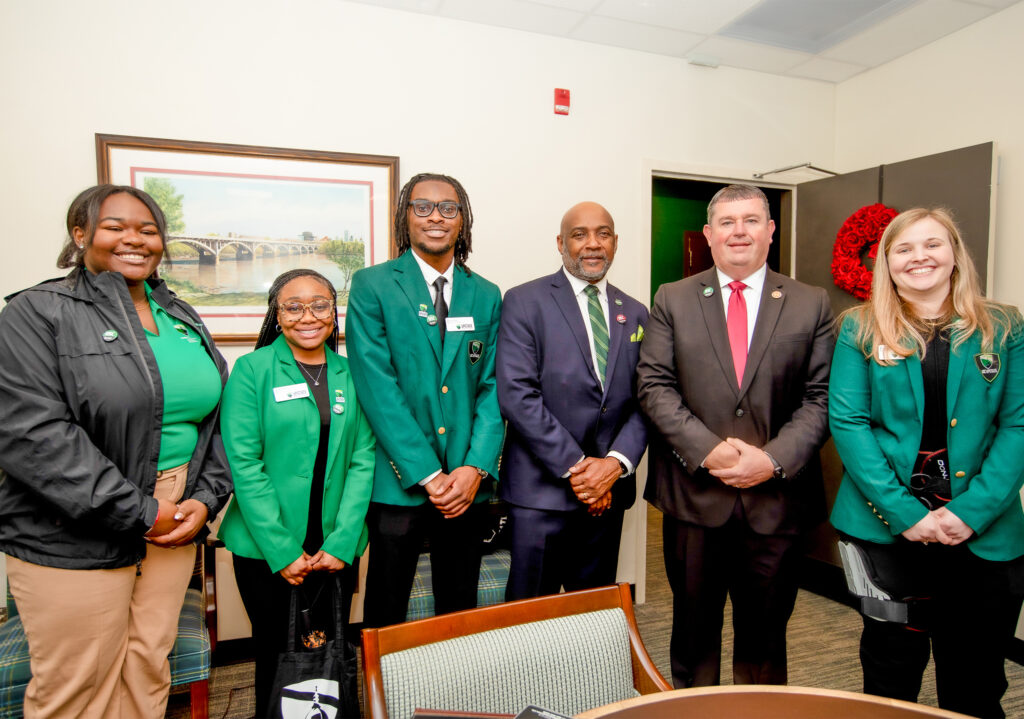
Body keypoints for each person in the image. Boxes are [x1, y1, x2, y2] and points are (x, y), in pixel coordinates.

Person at [0, 184, 232, 719]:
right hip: (74, 528)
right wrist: (141, 511)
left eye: (148, 230)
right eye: (115, 226)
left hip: (176, 517)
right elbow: (33, 437)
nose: (135, 239)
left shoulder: (180, 314)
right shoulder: (37, 312)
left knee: (149, 661)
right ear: (80, 235)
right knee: (79, 685)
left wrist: (206, 497)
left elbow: (215, 422)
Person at [829, 208, 1024, 718]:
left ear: (955, 254)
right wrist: (907, 515)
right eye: (904, 248)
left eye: (933, 244)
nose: (920, 257)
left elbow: (1018, 426)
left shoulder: (1004, 327)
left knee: (976, 679)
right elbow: (850, 424)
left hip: (985, 535)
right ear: (887, 263)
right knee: (890, 671)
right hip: (884, 534)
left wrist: (971, 513)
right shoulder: (858, 328)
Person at [637, 184, 833, 688]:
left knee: (766, 639)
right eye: (726, 222)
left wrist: (771, 460)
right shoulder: (672, 298)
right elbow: (654, 385)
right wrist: (712, 451)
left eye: (750, 220)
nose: (738, 231)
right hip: (694, 500)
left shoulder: (810, 303)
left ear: (770, 231)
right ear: (708, 234)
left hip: (777, 502)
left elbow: (823, 397)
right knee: (692, 635)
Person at [346, 172, 504, 627]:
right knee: (387, 608)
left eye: (448, 208)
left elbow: (494, 387)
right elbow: (377, 387)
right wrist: (429, 475)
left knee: (459, 606)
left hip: (466, 485)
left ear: (463, 220)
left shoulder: (486, 294)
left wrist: (474, 468)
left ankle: (451, 693)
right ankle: (384, 698)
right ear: (404, 217)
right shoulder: (373, 285)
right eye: (422, 206)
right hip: (400, 483)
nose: (436, 216)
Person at [218, 269, 374, 718]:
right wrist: (282, 550)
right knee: (275, 650)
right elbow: (245, 464)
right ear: (277, 314)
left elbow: (363, 460)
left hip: (334, 547)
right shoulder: (252, 370)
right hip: (266, 548)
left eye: (320, 304)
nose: (308, 316)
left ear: (334, 312)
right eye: (293, 305)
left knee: (329, 648)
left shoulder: (350, 371)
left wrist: (342, 543)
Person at [496, 201, 648, 600]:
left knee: (591, 614)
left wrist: (613, 467)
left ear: (615, 242)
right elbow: (518, 395)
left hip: (609, 494)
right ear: (561, 243)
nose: (593, 244)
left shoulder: (635, 313)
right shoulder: (524, 301)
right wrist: (583, 471)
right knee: (529, 617)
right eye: (580, 234)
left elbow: (646, 399)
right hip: (540, 494)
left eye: (603, 233)